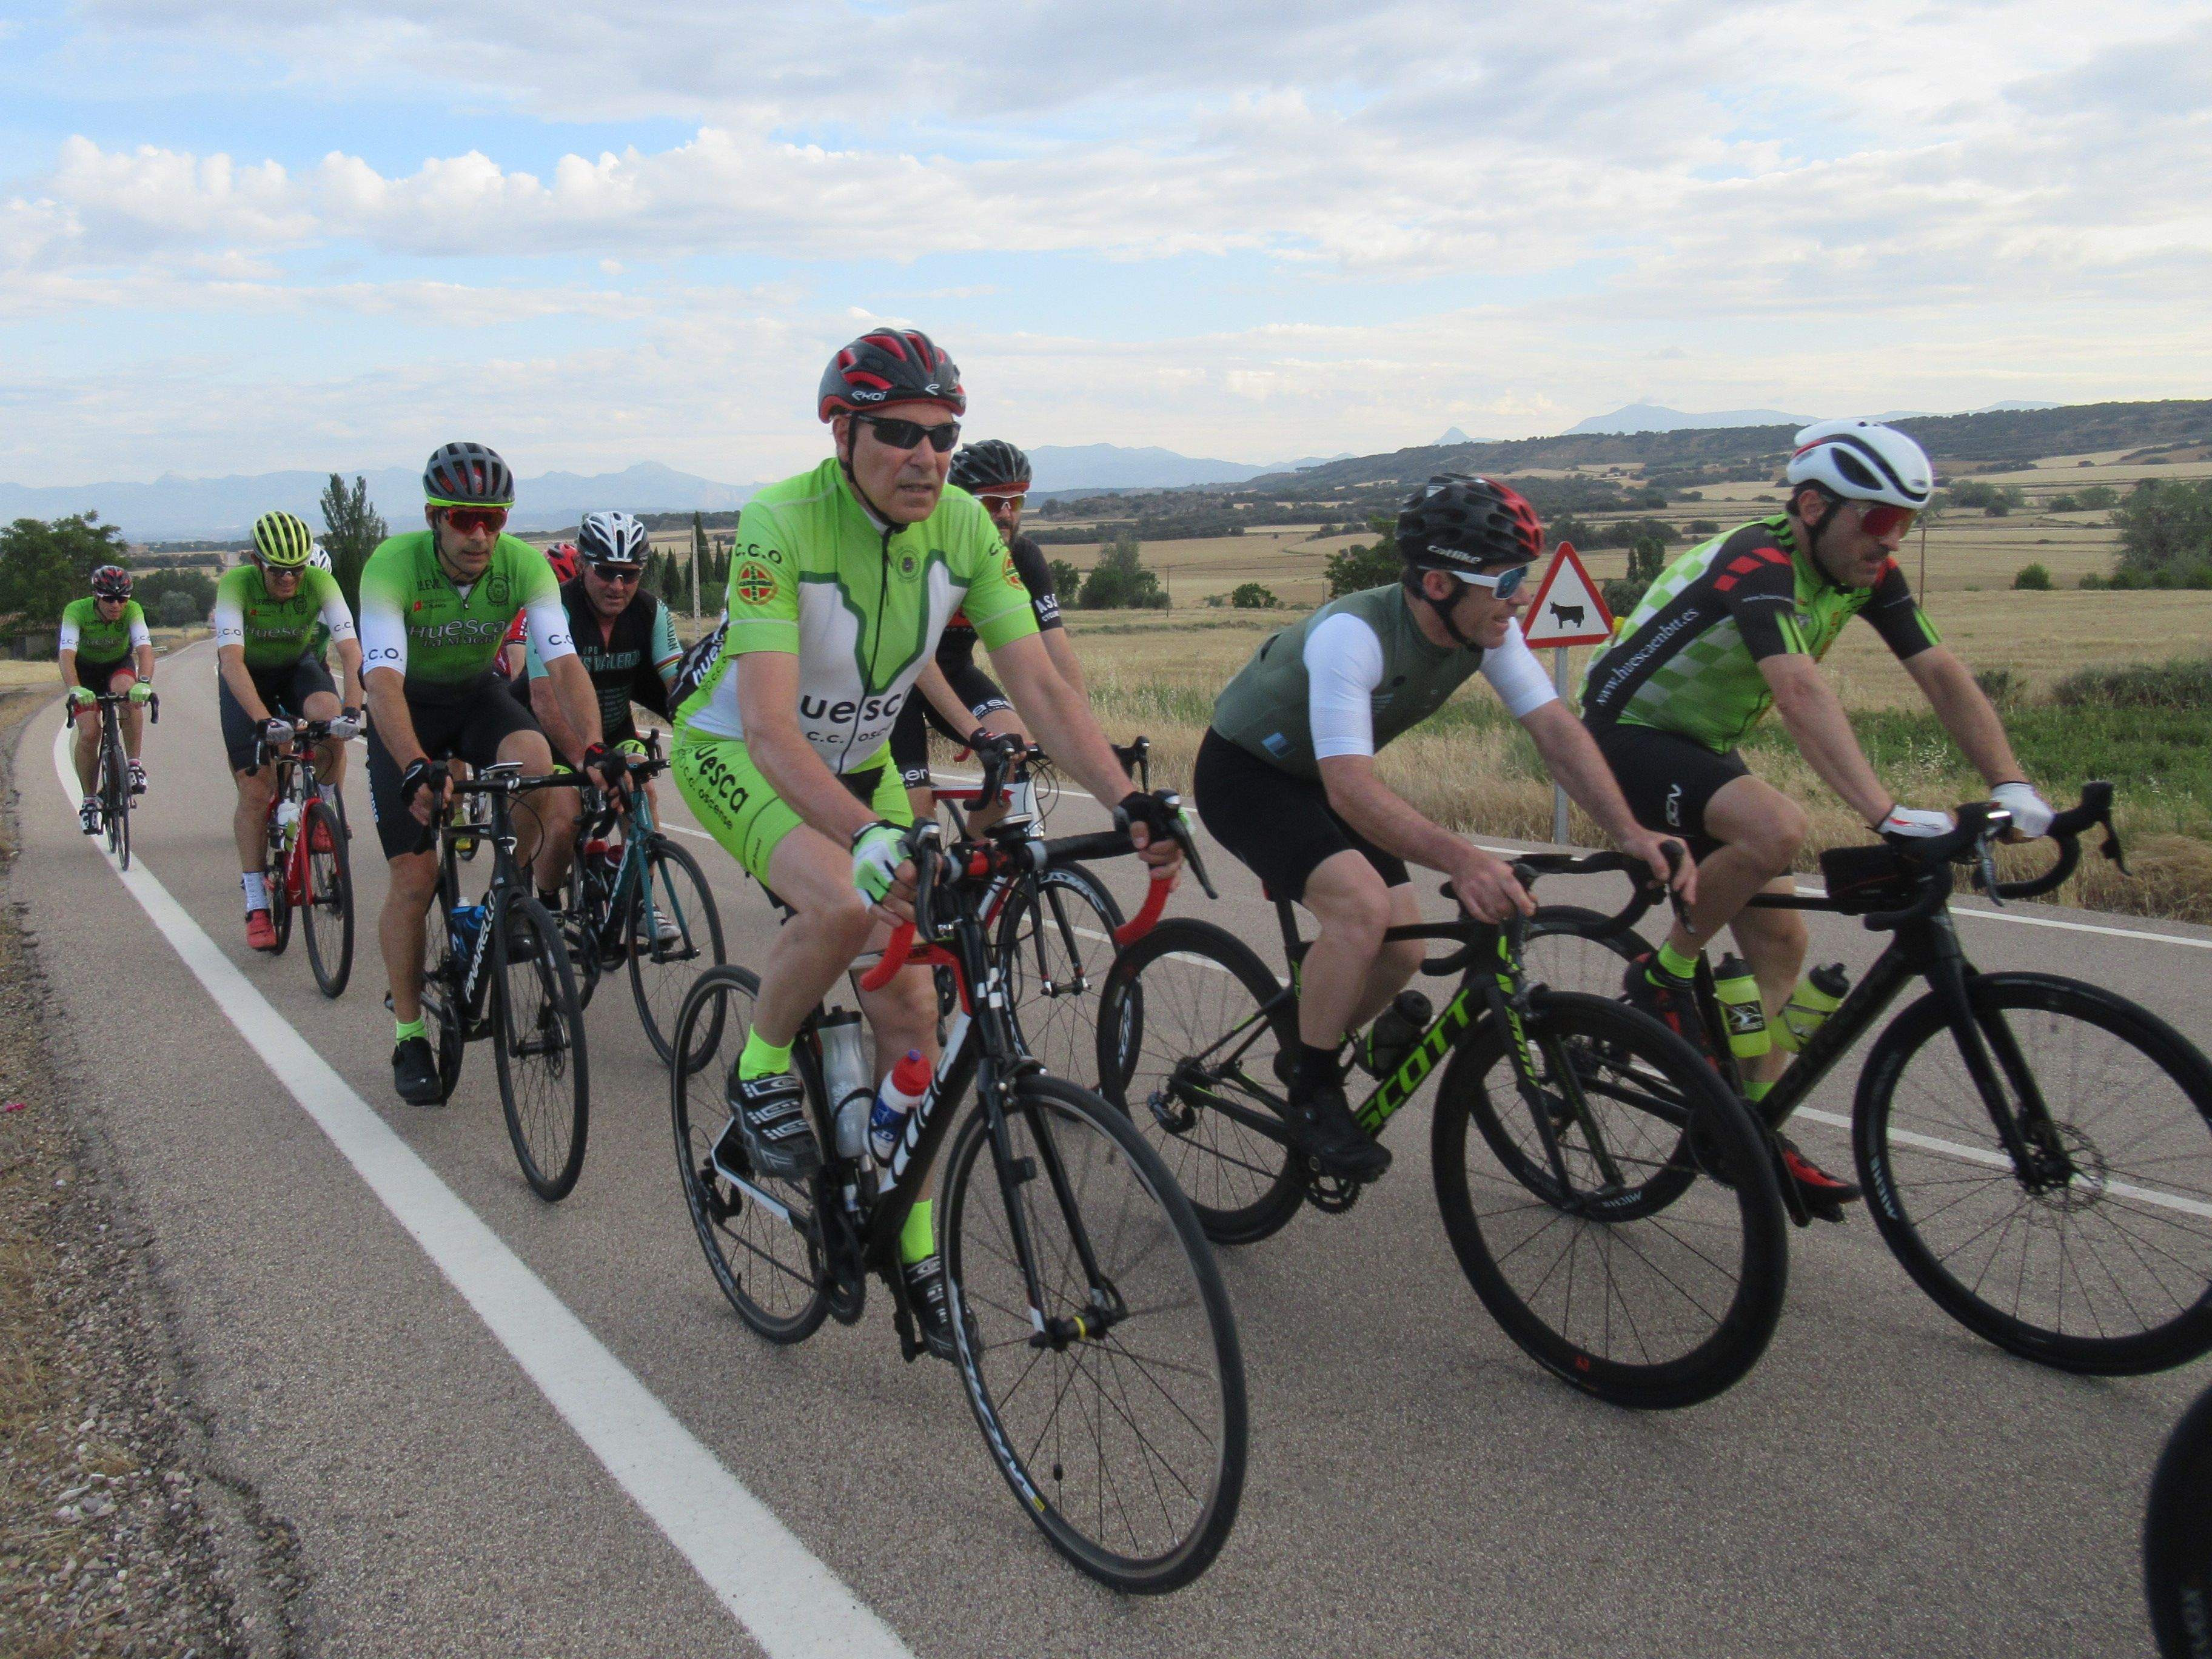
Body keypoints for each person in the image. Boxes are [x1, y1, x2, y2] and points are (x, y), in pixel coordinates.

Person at [669, 328, 1183, 1355]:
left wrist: (1128, 800)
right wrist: (864, 835)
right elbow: (770, 728)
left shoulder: (962, 527)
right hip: (743, 750)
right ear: (844, 433)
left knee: (912, 1003)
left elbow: (1036, 681)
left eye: (944, 436)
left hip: (856, 763)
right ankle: (762, 1063)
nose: (927, 456)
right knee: (847, 899)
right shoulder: (782, 522)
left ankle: (912, 1249)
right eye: (898, 434)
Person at [1580, 418, 2055, 1210]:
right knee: (1776, 829)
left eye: (1905, 524)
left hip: (1698, 746)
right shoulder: (1758, 560)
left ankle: (1751, 1128)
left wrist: (2014, 786)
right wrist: (1885, 812)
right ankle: (1662, 975)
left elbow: (1939, 672)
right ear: (1811, 507)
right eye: (1877, 520)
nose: (1889, 542)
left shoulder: (1862, 574)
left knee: (1782, 942)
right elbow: (1799, 689)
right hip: (1620, 736)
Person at [1197, 474, 1692, 1182]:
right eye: (1508, 579)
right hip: (1248, 775)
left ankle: (1316, 1038)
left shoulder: (1485, 627)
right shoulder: (1353, 637)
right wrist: (1463, 861)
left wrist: (1632, 833)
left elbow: (1555, 729)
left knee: (1404, 953)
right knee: (1360, 911)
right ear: (1438, 584)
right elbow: (1350, 787)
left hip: (1326, 780)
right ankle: (1310, 1086)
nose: (1521, 596)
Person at [357, 443, 626, 1104]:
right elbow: (383, 681)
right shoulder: (393, 566)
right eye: (464, 518)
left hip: (477, 699)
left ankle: (504, 905)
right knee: (414, 878)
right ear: (435, 517)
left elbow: (564, 666)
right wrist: (417, 766)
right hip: (407, 709)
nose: (480, 534)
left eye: (494, 520)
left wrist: (592, 749)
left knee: (542, 773)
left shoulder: (523, 566)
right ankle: (410, 1034)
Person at [886, 439, 1083, 830]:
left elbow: (1057, 652)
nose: (1006, 515)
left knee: (1015, 754)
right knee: (919, 818)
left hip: (956, 675)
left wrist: (1082, 730)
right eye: (993, 503)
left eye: (1017, 502)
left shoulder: (1023, 558)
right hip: (897, 686)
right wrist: (973, 733)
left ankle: (973, 862)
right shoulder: (922, 554)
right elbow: (917, 661)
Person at [213, 510, 365, 950]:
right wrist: (264, 720)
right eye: (278, 570)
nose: (288, 579)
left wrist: (353, 710)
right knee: (256, 792)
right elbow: (231, 662)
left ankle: (323, 810)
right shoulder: (235, 585)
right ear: (257, 562)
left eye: (296, 569)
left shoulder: (320, 582)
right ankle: (258, 901)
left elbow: (351, 652)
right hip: (247, 678)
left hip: (297, 667)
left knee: (328, 715)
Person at [522, 512, 681, 762]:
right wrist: (584, 760)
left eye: (629, 575)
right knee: (565, 799)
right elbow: (544, 698)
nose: (617, 587)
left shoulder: (652, 610)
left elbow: (680, 683)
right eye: (606, 572)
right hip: (551, 733)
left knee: (640, 784)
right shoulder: (554, 609)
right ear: (582, 565)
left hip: (615, 730)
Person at [59, 565, 155, 833]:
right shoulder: (76, 611)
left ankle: (133, 764)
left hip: (117, 666)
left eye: (122, 599)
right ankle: (90, 801)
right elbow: (66, 655)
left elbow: (145, 650)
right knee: (90, 733)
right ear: (96, 596)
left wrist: (145, 684)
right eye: (109, 599)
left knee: (129, 692)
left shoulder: (133, 610)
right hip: (85, 672)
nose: (117, 605)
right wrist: (75, 688)